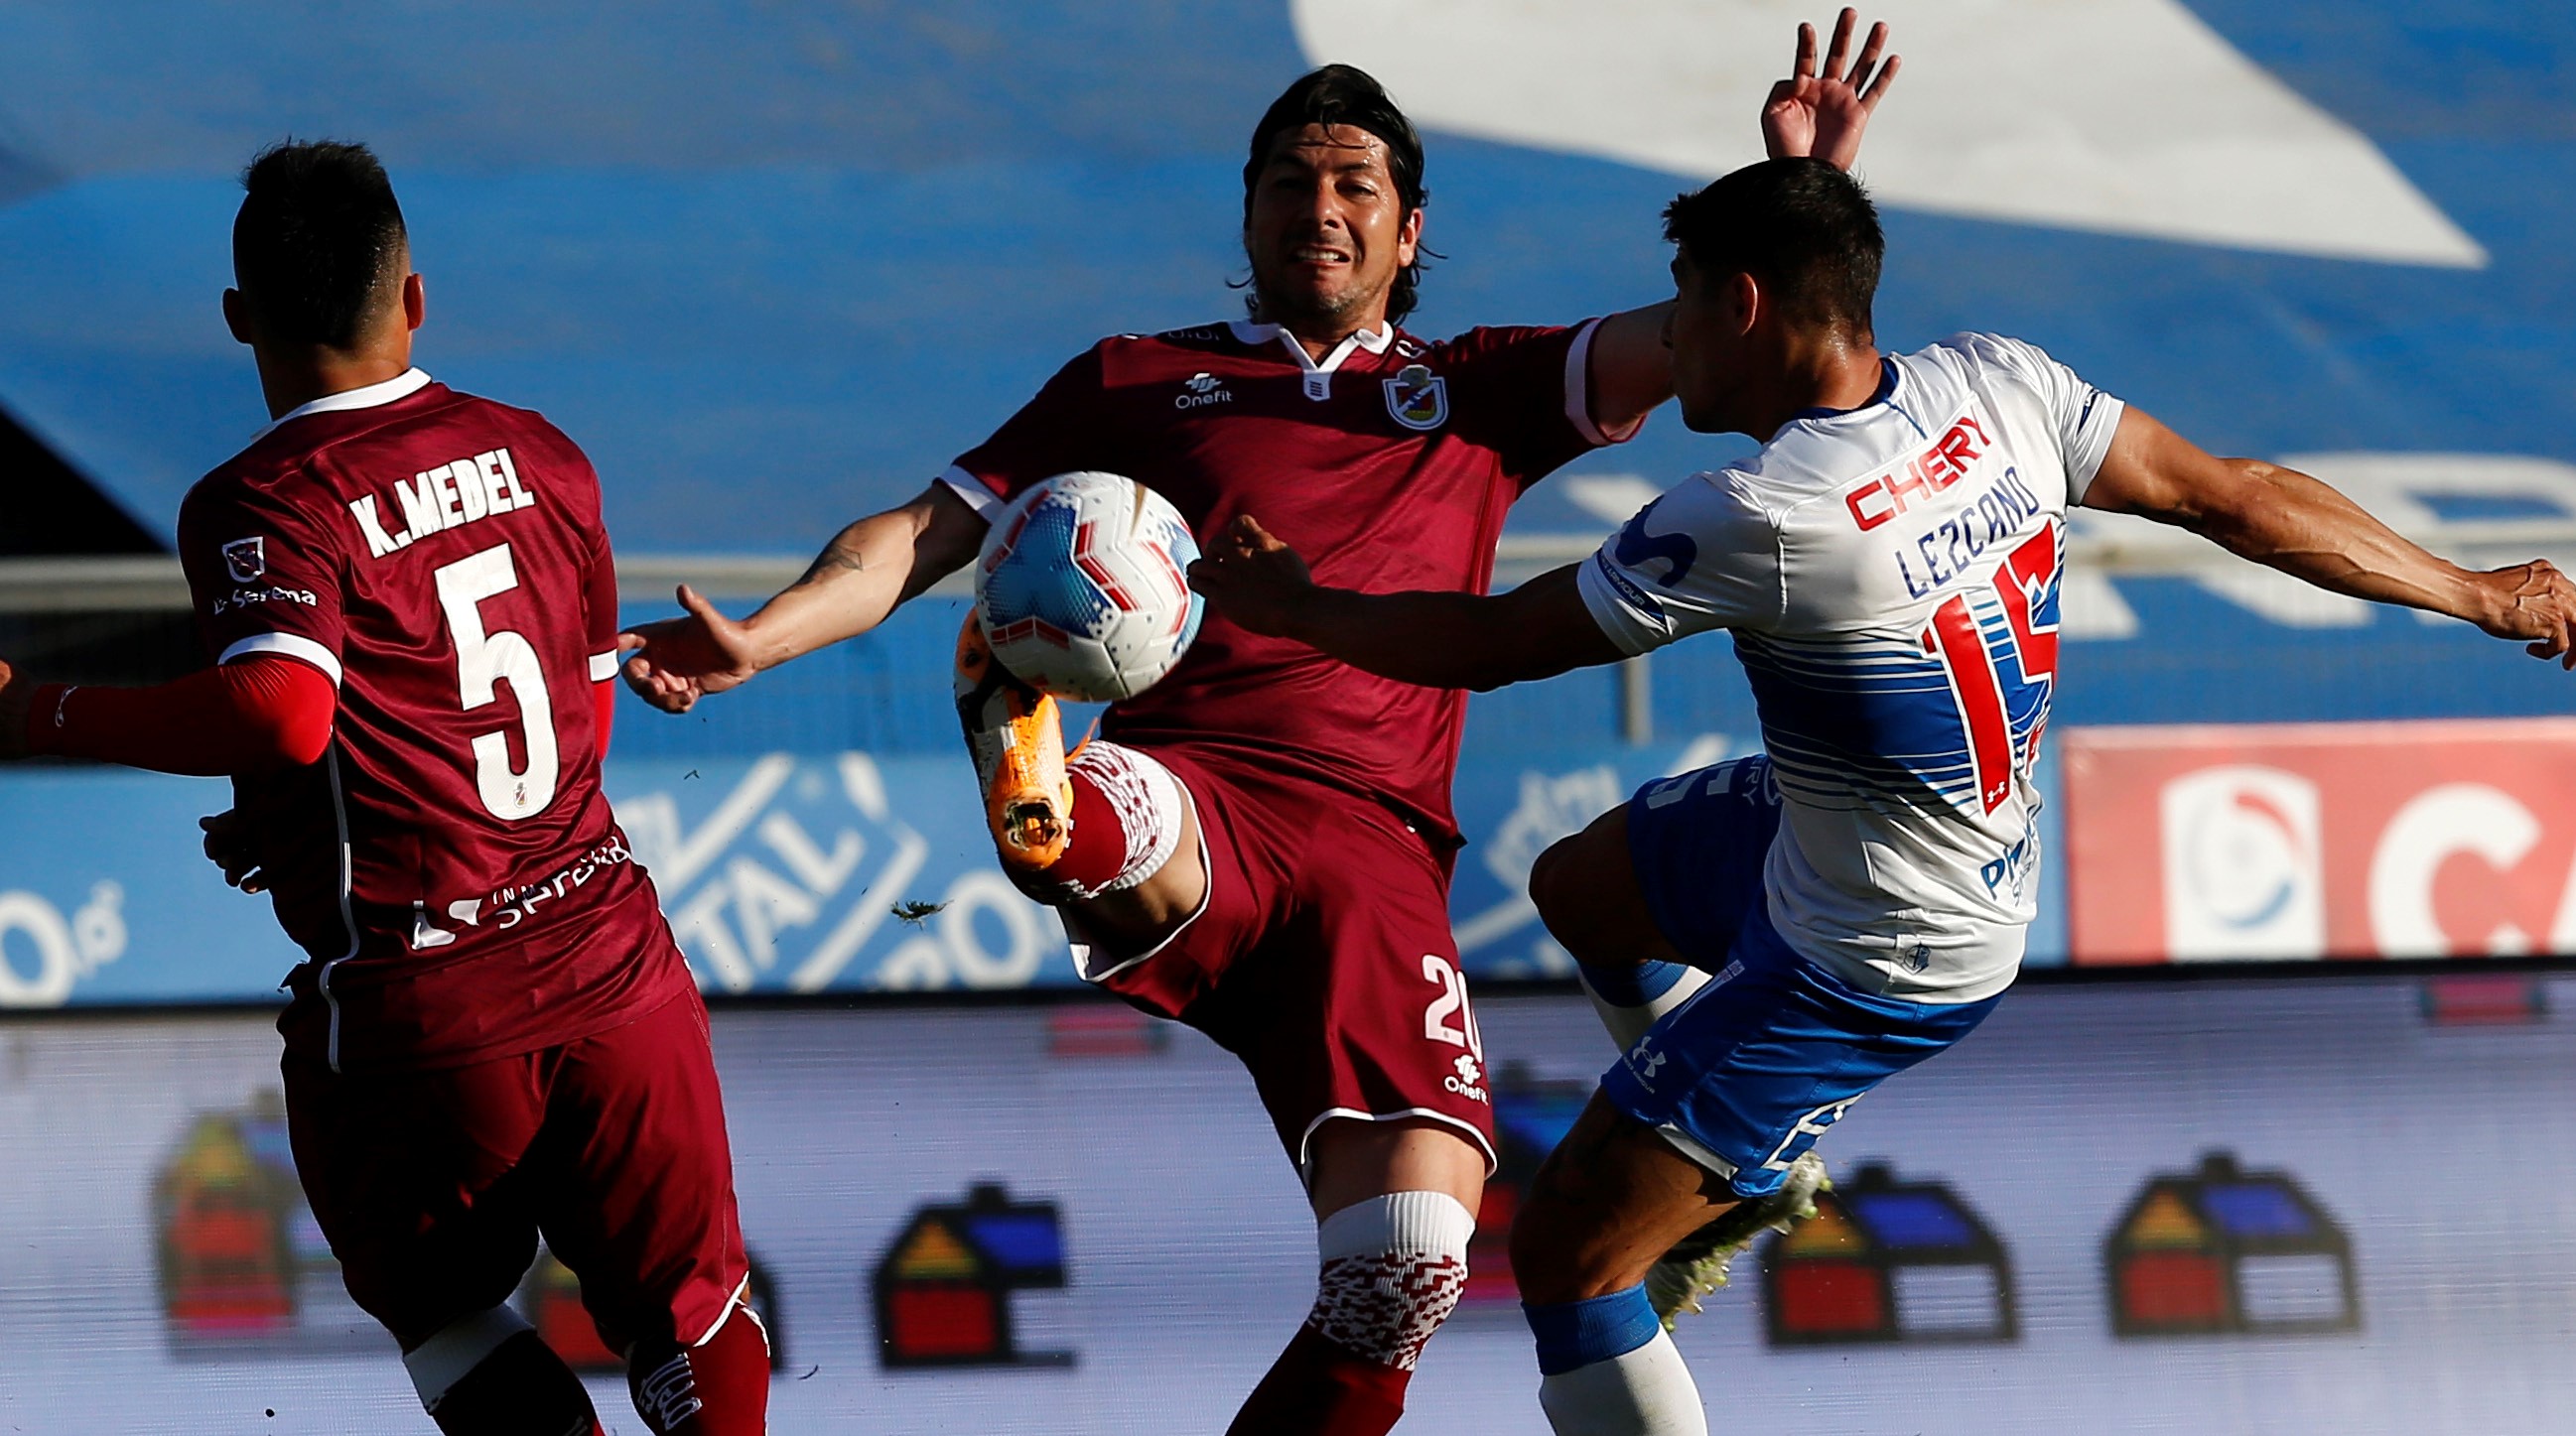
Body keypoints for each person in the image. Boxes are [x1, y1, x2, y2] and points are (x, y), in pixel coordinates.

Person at [617, 16, 1898, 1433]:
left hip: (1379, 859)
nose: (1321, 207)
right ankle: (1044, 785)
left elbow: (1728, 331)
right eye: (1290, 181)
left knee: (1407, 1271)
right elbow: (919, 534)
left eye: (1355, 184)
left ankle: (1035, 751)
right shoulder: (1135, 380)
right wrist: (762, 637)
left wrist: (1806, 197)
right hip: (1204, 791)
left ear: (1410, 229)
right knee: (1123, 819)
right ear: (1247, 216)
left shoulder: (1488, 389)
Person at [1188, 156, 2576, 1435]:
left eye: (1684, 301)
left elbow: (1491, 645)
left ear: (1742, 305)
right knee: (1581, 888)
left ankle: (1721, 1151)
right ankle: (1748, 1166)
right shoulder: (2000, 386)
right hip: (1845, 839)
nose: (1671, 338)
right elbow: (2238, 495)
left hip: (1868, 958)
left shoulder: (1756, 513)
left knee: (1566, 1258)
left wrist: (1296, 606)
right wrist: (2474, 590)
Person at [0, 142, 769, 1436]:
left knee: (447, 1312)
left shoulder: (260, 498)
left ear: (239, 319)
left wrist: (35, 708)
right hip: (613, 962)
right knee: (691, 1309)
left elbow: (283, 709)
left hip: (430, 1012)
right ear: (415, 297)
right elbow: (574, 719)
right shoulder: (543, 453)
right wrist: (313, 806)